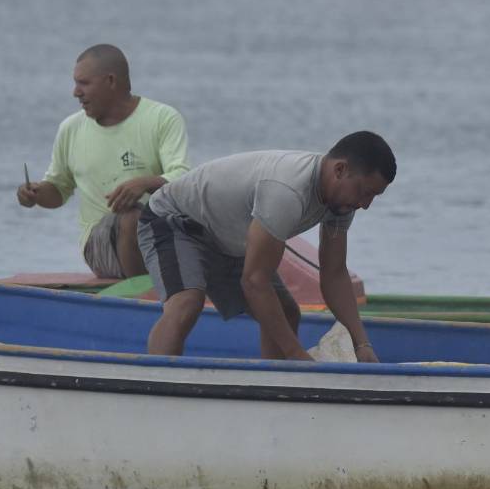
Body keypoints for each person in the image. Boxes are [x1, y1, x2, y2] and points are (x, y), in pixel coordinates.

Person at [138, 131, 396, 360]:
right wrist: (297, 355)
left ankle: (273, 390)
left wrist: (361, 344)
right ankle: (155, 388)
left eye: (374, 196)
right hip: (175, 220)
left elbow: (334, 273)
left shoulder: (342, 202)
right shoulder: (286, 192)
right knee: (187, 302)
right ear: (340, 170)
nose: (366, 204)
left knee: (286, 312)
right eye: (365, 192)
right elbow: (254, 282)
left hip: (227, 235)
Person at [16, 44, 190, 279]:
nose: (75, 92)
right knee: (131, 217)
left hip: (159, 237)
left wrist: (144, 183)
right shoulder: (70, 129)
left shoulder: (163, 118)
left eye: (84, 83)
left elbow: (184, 179)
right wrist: (34, 195)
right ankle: (141, 298)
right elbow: (57, 192)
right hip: (101, 245)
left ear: (111, 81)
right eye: (75, 83)